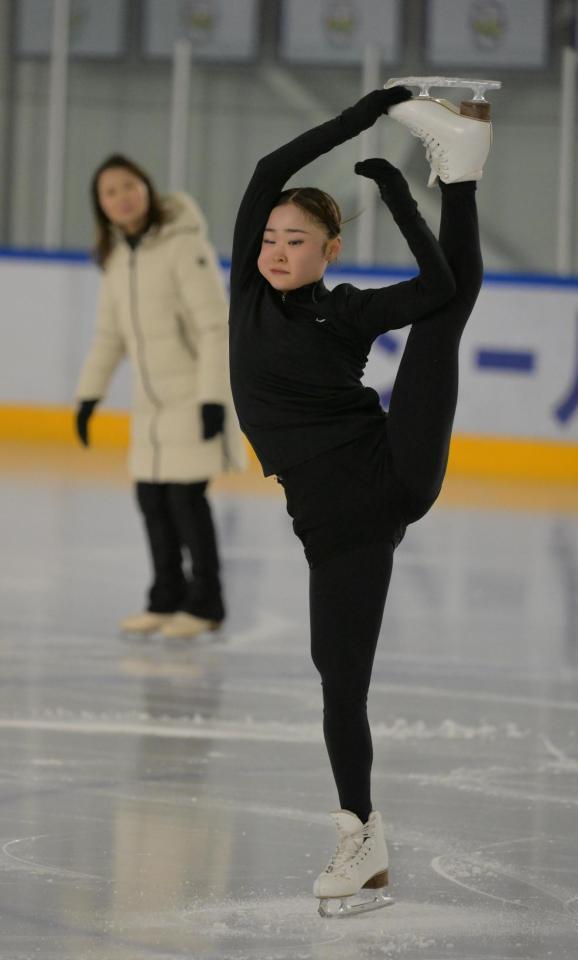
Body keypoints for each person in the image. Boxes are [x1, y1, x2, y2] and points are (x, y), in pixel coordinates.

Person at [228, 85, 488, 914]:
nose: (275, 249)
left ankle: (464, 170)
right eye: (269, 236)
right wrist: (364, 112)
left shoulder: (345, 315)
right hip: (332, 526)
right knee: (337, 677)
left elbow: (438, 284)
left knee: (443, 322)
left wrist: (406, 198)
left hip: (389, 475)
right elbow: (273, 167)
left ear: (329, 250)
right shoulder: (247, 295)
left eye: (296, 239)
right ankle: (368, 842)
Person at [75, 154, 245, 639]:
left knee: (187, 503)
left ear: (146, 189)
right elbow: (109, 336)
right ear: (102, 206)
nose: (122, 197)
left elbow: (216, 328)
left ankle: (206, 602)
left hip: (192, 395)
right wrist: (89, 396)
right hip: (150, 407)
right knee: (152, 501)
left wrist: (213, 399)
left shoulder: (182, 246)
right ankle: (165, 598)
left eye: (129, 185)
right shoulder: (117, 259)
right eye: (110, 192)